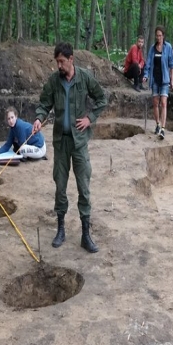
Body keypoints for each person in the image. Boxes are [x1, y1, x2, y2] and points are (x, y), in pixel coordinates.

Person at [31, 42, 107, 253]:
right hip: (61, 143)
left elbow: (102, 98)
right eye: (57, 62)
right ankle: (61, 229)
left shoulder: (84, 78)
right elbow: (44, 104)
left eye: (62, 61)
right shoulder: (54, 81)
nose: (59, 65)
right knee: (60, 186)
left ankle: (85, 234)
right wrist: (39, 119)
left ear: (71, 59)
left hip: (79, 142)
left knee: (84, 186)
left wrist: (90, 118)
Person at [143, 26, 173, 140]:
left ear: (163, 36)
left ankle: (163, 129)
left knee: (164, 102)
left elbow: (171, 64)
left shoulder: (168, 47)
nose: (158, 37)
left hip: (165, 80)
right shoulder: (152, 48)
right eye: (157, 35)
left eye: (160, 35)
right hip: (155, 79)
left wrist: (172, 79)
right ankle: (157, 124)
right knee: (156, 103)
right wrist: (146, 76)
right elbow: (148, 64)